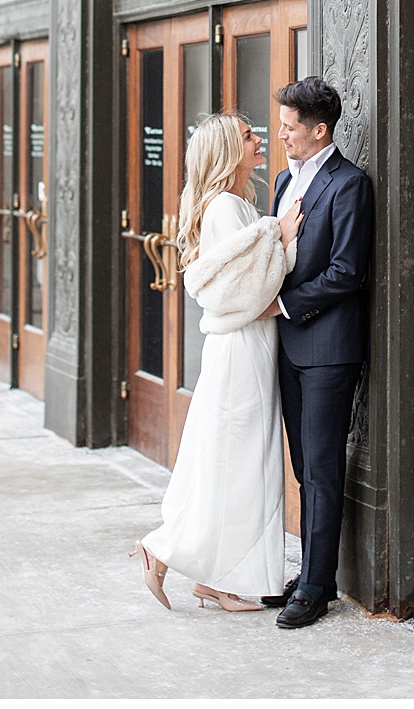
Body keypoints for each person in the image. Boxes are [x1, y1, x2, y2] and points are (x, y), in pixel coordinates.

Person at [136, 113, 299, 612]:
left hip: (246, 345)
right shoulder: (226, 207)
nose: (260, 140)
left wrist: (274, 240)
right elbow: (239, 289)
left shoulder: (235, 203)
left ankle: (207, 574)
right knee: (238, 464)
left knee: (231, 461)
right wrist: (281, 238)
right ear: (229, 151)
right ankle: (177, 557)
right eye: (248, 136)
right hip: (240, 348)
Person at [258, 77, 376, 629]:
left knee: (323, 467)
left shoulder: (350, 184)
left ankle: (314, 589)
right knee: (304, 466)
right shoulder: (285, 179)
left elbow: (347, 272)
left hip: (328, 348)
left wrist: (284, 305)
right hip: (287, 346)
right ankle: (315, 574)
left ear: (320, 130)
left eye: (289, 127)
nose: (281, 134)